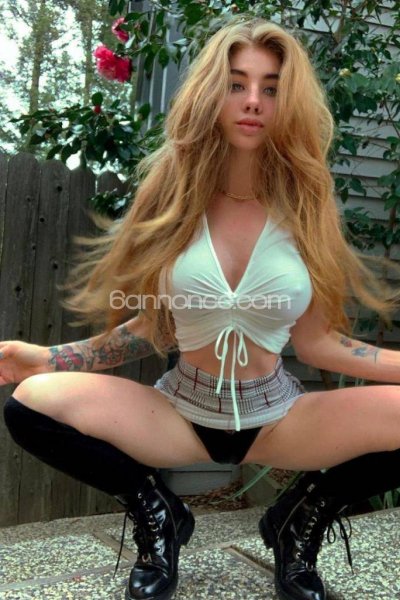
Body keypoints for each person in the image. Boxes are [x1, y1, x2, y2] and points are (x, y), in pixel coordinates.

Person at [2, 14, 400, 600]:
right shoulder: (172, 196)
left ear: (288, 102)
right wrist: (45, 358)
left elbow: (318, 344)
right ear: (212, 92)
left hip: (278, 417)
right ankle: (157, 513)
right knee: (30, 403)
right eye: (237, 83)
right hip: (180, 413)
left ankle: (298, 521)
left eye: (271, 88)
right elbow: (150, 327)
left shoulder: (308, 204)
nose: (253, 101)